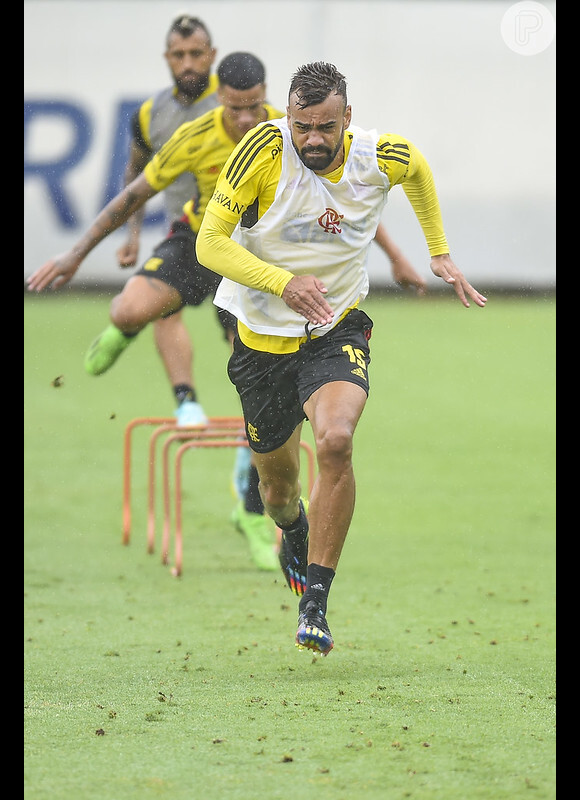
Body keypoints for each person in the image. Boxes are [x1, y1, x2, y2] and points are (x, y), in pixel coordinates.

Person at [27, 54, 427, 575]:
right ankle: (131, 337)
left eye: (252, 107)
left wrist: (396, 254)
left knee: (267, 397)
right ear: (220, 98)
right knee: (131, 309)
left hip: (265, 266)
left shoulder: (293, 134)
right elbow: (136, 193)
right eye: (235, 108)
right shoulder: (196, 138)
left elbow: (344, 209)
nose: (245, 119)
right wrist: (76, 255)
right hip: (203, 244)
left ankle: (254, 511)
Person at [196, 62, 487, 656]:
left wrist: (438, 252)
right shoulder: (261, 150)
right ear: (287, 117)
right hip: (260, 340)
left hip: (336, 326)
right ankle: (292, 530)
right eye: (301, 125)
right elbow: (209, 242)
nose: (313, 139)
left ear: (347, 118)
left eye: (325, 126)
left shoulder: (381, 155)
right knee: (277, 495)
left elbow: (420, 172)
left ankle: (316, 604)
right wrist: (281, 283)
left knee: (335, 440)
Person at [105, 14, 219, 427]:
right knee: (158, 310)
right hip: (184, 234)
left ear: (212, 56)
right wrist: (133, 235)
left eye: (195, 54)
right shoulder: (151, 113)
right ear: (167, 58)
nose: (187, 63)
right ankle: (186, 402)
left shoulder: (237, 104)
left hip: (238, 235)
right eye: (179, 55)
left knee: (246, 334)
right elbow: (134, 174)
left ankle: (256, 435)